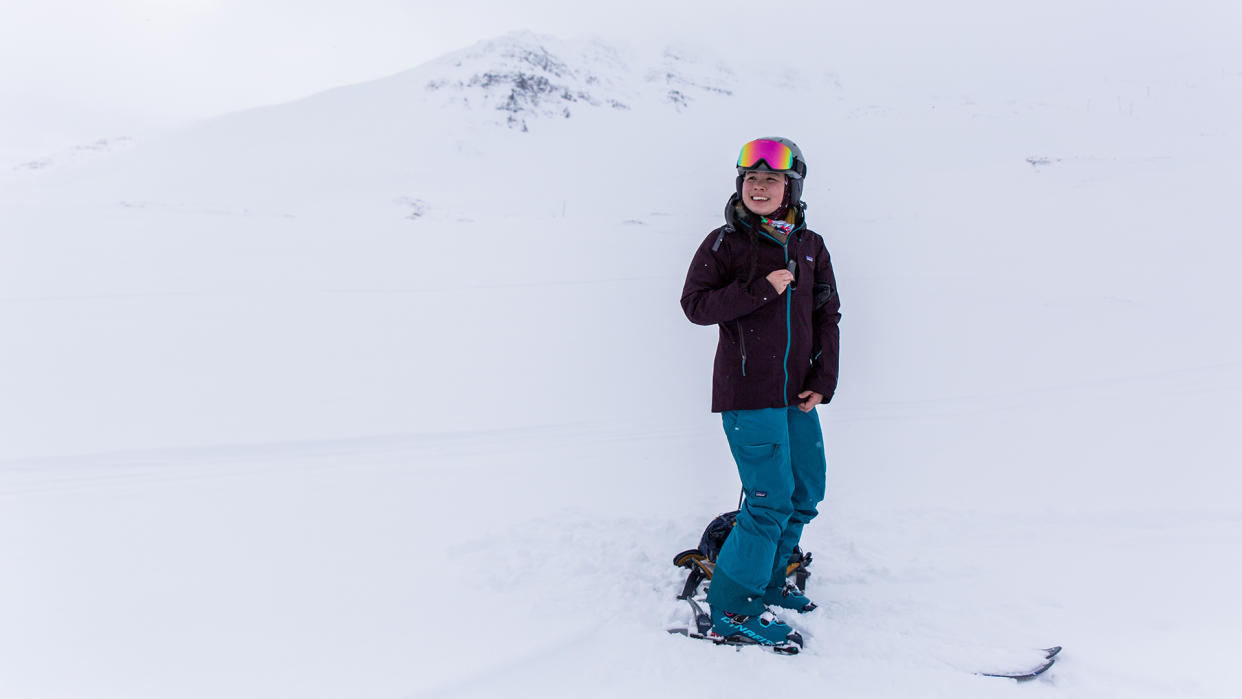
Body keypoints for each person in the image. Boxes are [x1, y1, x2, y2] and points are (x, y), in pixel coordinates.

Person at [680, 137, 841, 646]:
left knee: (803, 493)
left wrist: (823, 379)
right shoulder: (724, 243)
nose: (759, 187)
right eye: (751, 179)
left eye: (771, 179)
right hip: (747, 394)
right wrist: (761, 288)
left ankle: (769, 579)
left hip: (796, 396)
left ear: (791, 187)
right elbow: (696, 305)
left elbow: (825, 316)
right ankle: (732, 608)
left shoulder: (809, 245)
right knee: (769, 500)